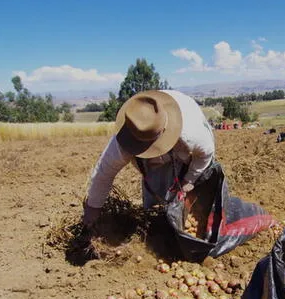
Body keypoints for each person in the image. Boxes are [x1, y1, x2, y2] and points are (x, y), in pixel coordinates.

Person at [82, 90, 215, 228]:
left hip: (187, 150)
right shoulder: (126, 137)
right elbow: (103, 174)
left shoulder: (190, 134)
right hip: (153, 161)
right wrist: (93, 209)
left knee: (197, 193)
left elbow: (205, 154)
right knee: (156, 202)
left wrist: (189, 180)